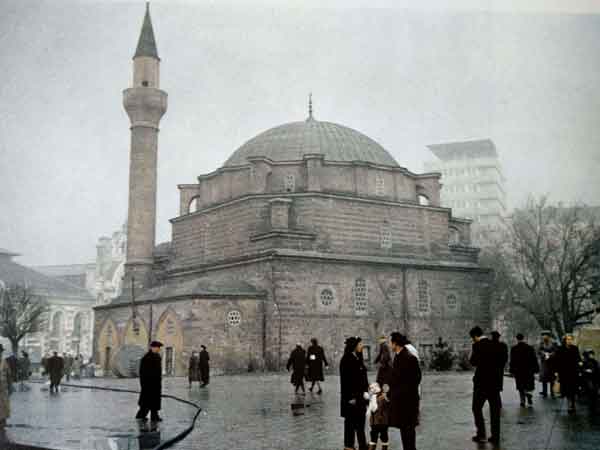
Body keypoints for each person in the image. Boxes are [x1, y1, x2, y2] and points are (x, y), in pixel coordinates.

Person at [469, 326, 503, 445]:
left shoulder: (477, 345)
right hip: (494, 383)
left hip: (481, 383)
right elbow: (501, 362)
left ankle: (481, 434)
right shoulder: (496, 344)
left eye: (472, 338)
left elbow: (473, 362)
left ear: (475, 336)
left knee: (476, 408)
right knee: (495, 411)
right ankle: (495, 436)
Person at [388, 332, 421, 450]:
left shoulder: (408, 358)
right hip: (401, 400)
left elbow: (415, 379)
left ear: (395, 344)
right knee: (404, 430)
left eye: (391, 342)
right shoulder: (398, 357)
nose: (390, 344)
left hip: (408, 401)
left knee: (408, 431)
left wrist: (399, 393)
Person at [340, 336, 369, 450]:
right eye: (360, 344)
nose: (362, 346)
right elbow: (346, 381)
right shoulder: (347, 359)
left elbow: (362, 375)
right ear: (354, 346)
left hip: (360, 396)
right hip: (352, 398)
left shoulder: (357, 358)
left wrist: (367, 389)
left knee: (360, 422)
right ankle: (349, 446)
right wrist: (350, 397)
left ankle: (362, 444)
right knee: (350, 423)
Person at [136, 341, 164, 425]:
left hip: (156, 384)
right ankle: (140, 417)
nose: (158, 349)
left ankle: (154, 416)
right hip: (148, 385)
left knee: (154, 402)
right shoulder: (146, 358)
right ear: (152, 347)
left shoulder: (157, 357)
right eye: (157, 347)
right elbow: (142, 373)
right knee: (145, 405)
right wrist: (144, 385)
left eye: (159, 348)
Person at [509, 333, 539, 407]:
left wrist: (512, 370)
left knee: (520, 386)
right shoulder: (530, 348)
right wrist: (536, 368)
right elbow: (534, 359)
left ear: (517, 339)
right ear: (523, 338)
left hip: (518, 370)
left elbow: (512, 360)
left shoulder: (514, 349)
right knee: (529, 385)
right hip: (528, 370)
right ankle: (529, 394)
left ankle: (522, 400)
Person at [554, 334, 581, 414]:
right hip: (564, 372)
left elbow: (578, 358)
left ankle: (572, 404)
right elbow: (557, 361)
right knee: (567, 390)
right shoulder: (560, 349)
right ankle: (569, 405)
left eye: (570, 339)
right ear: (565, 340)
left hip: (573, 372)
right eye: (568, 339)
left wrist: (580, 363)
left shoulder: (575, 348)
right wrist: (556, 371)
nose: (569, 341)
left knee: (573, 389)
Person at [366, 382, 390, 450]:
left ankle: (383, 448)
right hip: (375, 422)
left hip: (381, 421)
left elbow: (384, 405)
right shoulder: (372, 397)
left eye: (373, 387)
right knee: (374, 436)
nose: (372, 389)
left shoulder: (382, 396)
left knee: (383, 436)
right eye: (370, 388)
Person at [538, 331, 558, 398]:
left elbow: (556, 351)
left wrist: (550, 354)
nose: (544, 336)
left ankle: (552, 392)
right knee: (544, 378)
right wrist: (543, 353)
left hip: (552, 363)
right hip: (544, 363)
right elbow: (539, 351)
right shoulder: (541, 343)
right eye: (543, 335)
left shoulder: (554, 343)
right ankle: (544, 392)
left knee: (552, 378)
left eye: (545, 335)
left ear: (548, 336)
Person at [0, 345, 11, 429]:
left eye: (1, 351)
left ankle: (3, 421)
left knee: (4, 403)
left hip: (3, 387)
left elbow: (8, 374)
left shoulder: (4, 362)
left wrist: (10, 386)